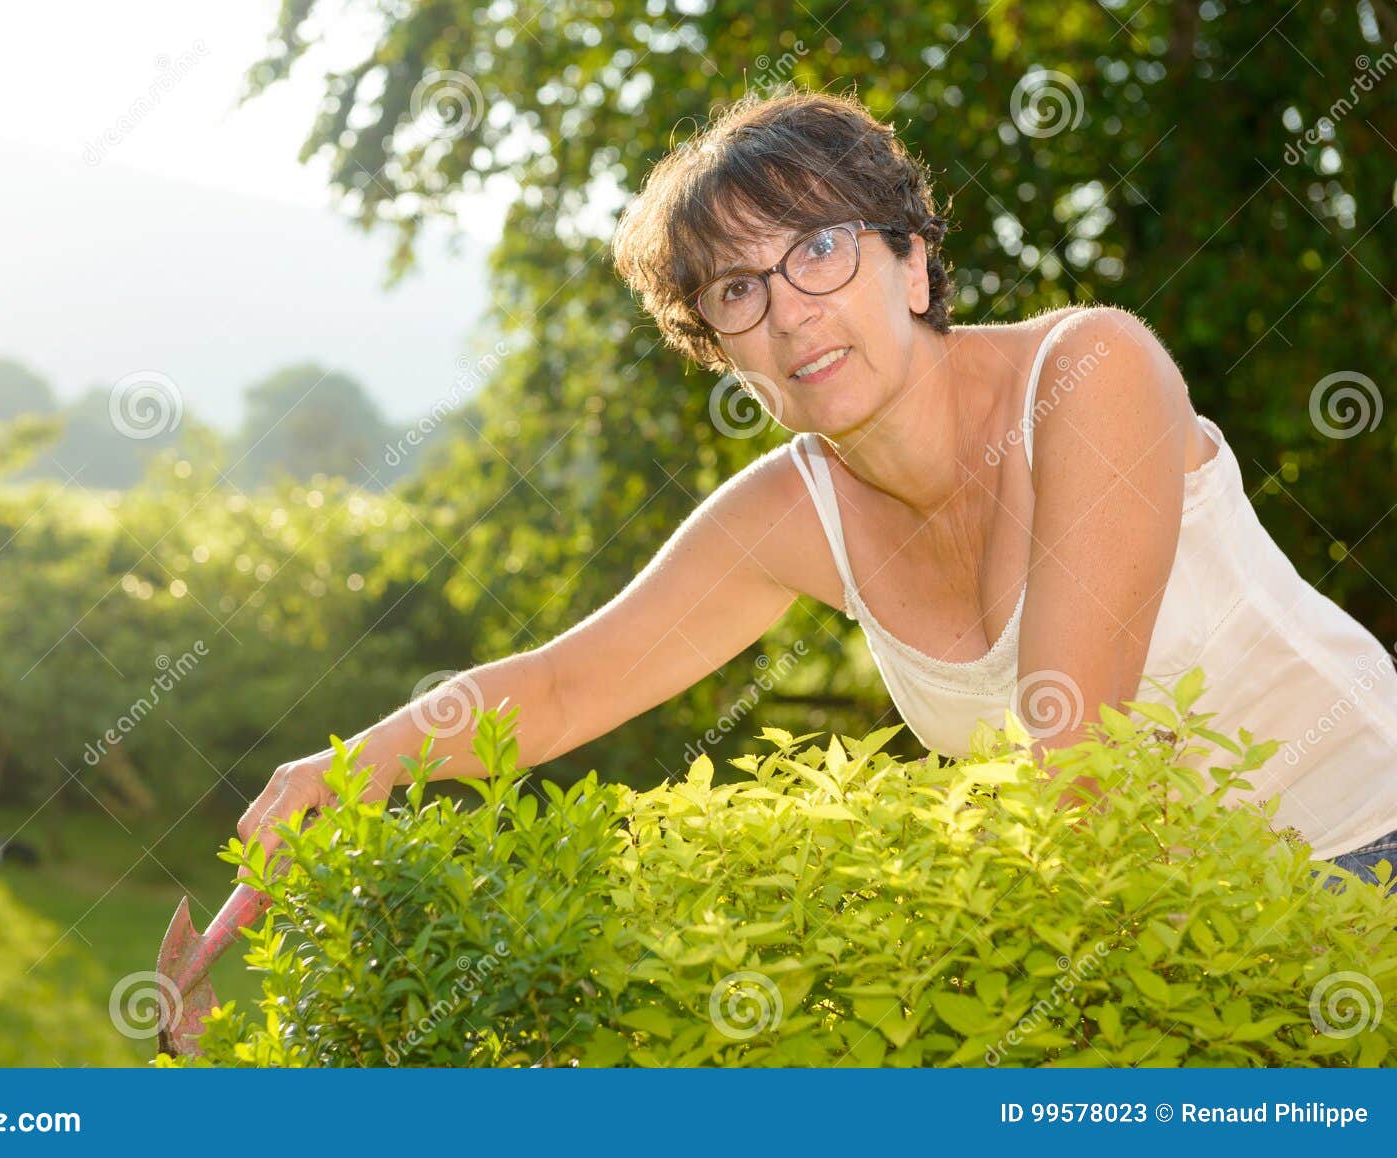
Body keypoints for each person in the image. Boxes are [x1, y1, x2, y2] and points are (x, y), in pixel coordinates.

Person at [238, 87, 1397, 891]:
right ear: (720, 352)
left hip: (1368, 852)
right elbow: (557, 690)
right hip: (1156, 947)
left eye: (820, 250)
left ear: (913, 259)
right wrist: (340, 775)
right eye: (736, 291)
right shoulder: (788, 514)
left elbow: (1073, 769)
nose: (789, 309)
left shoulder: (1088, 374)